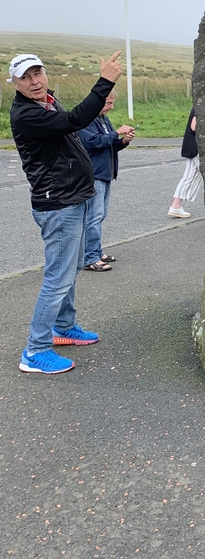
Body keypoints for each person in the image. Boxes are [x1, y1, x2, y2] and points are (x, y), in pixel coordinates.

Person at [9, 50, 123, 374]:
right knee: (58, 277)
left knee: (69, 269)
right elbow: (73, 121)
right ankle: (35, 351)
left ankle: (63, 326)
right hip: (58, 205)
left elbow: (73, 126)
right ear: (14, 83)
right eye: (25, 77)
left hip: (74, 197)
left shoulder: (47, 100)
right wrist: (105, 83)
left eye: (37, 73)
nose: (34, 81)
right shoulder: (27, 115)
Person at [77, 90, 135, 272]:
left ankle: (96, 251)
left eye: (112, 103)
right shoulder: (86, 120)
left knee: (99, 216)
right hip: (93, 175)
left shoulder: (103, 119)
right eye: (108, 103)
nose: (111, 106)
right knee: (93, 217)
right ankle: (89, 258)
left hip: (105, 173)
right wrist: (117, 132)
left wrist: (123, 141)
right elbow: (93, 142)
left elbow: (109, 145)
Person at [168, 108, 202, 218]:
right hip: (197, 147)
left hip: (194, 147)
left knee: (189, 176)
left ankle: (176, 206)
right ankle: (175, 206)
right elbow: (194, 126)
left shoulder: (199, 103)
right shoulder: (201, 105)